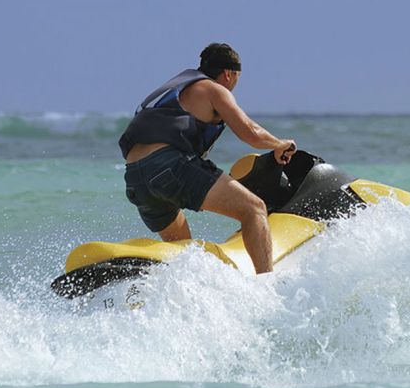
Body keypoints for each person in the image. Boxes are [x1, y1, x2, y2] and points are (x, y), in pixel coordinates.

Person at [118, 43, 296, 274]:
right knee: (254, 209)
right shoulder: (213, 89)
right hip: (167, 166)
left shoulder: (179, 88)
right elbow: (250, 132)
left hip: (135, 179)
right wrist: (279, 144)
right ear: (229, 74)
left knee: (180, 248)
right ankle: (267, 282)